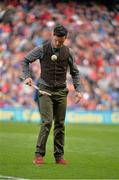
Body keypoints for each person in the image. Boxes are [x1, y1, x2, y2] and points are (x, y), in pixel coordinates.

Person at [22, 24, 82, 165]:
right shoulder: (42, 49)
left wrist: (78, 90)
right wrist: (27, 76)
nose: (57, 43)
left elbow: (75, 72)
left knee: (60, 124)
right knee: (47, 122)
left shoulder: (69, 52)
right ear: (52, 35)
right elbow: (25, 61)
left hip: (61, 91)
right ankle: (39, 155)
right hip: (45, 90)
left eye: (60, 41)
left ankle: (59, 156)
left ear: (65, 38)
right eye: (56, 40)